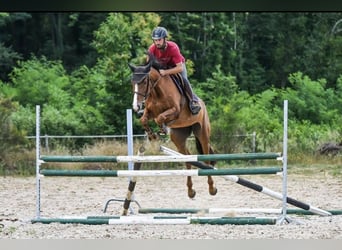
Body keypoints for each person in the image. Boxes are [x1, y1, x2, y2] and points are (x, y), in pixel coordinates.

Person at [147, 26, 201, 115]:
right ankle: (146, 104)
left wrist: (166, 72)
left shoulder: (173, 47)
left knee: (184, 79)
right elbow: (148, 67)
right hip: (162, 67)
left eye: (159, 40)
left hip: (176, 66)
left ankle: (193, 101)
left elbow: (180, 68)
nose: (157, 43)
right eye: (155, 40)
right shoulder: (152, 49)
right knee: (149, 81)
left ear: (165, 39)